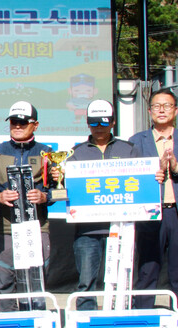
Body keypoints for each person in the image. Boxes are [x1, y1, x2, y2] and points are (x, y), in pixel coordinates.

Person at [128, 89, 178, 328]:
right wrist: (153, 174)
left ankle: (177, 327)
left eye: (167, 106)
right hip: (151, 214)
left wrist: (177, 168)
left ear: (176, 111)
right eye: (156, 106)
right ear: (149, 111)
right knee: (147, 271)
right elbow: (131, 176)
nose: (161, 110)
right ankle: (142, 323)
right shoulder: (137, 140)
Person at [59, 99, 140, 311]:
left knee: (123, 277)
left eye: (104, 123)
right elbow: (69, 188)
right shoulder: (75, 152)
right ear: (87, 123)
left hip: (122, 225)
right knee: (87, 280)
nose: (99, 128)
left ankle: (121, 315)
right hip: (88, 228)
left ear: (113, 123)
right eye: (94, 123)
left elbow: (141, 183)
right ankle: (87, 318)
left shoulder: (130, 149)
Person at [0, 101, 52, 312]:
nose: (17, 126)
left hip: (38, 226)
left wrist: (45, 196)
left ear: (35, 125)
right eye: (14, 122)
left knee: (37, 280)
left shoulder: (47, 152)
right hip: (6, 227)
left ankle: (37, 324)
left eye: (23, 122)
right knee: (5, 281)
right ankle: (8, 325)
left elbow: (60, 189)